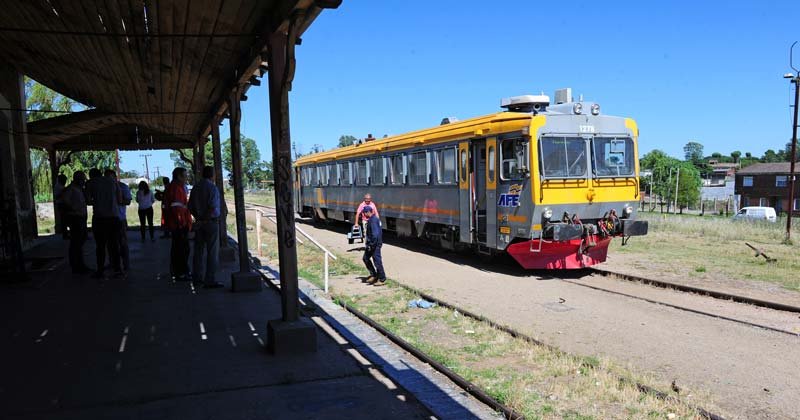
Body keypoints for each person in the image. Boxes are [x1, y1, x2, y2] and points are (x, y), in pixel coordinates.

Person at [188, 166, 223, 289]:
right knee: (212, 252)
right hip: (210, 223)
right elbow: (212, 207)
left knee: (198, 251)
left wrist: (198, 218)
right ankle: (210, 280)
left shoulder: (195, 188)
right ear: (212, 175)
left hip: (199, 224)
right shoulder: (212, 188)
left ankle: (197, 278)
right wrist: (204, 219)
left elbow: (190, 206)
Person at [88, 168, 123, 278]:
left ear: (91, 176)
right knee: (114, 245)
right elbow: (120, 200)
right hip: (113, 217)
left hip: (99, 217)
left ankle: (100, 270)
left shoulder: (91, 183)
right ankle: (117, 270)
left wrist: (98, 201)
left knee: (100, 246)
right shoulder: (113, 182)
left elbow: (88, 200)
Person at [165, 168, 192, 280]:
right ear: (179, 176)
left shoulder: (175, 186)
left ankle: (178, 271)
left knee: (179, 248)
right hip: (179, 224)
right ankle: (181, 273)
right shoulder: (176, 188)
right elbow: (177, 207)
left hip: (177, 223)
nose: (186, 178)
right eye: (185, 176)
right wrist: (181, 222)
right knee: (181, 249)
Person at [61, 171, 90, 274]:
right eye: (82, 179)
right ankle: (76, 265)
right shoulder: (71, 189)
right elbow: (64, 200)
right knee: (76, 242)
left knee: (80, 241)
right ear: (77, 179)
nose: (84, 181)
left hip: (81, 217)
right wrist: (74, 209)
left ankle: (79, 264)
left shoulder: (79, 189)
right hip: (75, 218)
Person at [108, 170, 132, 272]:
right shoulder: (105, 188)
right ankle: (113, 263)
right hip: (108, 218)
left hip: (120, 218)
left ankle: (126, 264)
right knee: (110, 244)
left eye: (109, 177)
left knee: (122, 243)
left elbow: (128, 201)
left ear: (114, 177)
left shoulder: (122, 187)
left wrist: (119, 198)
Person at [362, 206, 386, 286]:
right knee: (365, 258)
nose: (364, 214)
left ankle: (382, 279)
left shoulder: (373, 220)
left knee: (377, 261)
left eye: (364, 213)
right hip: (372, 244)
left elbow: (375, 235)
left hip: (374, 244)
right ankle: (374, 275)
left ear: (367, 212)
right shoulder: (373, 219)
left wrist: (371, 245)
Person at [54, 174, 69, 239]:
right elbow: (57, 196)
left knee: (64, 220)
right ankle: (65, 234)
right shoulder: (58, 187)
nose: (65, 181)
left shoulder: (60, 186)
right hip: (61, 205)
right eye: (64, 180)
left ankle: (65, 234)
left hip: (62, 204)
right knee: (64, 220)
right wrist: (64, 191)